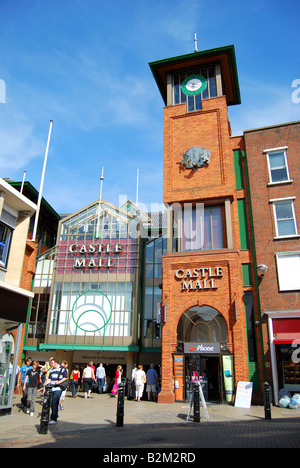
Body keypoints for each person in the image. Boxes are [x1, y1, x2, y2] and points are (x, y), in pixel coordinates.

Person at [45, 358, 68, 425]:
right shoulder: (51, 370)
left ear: (56, 362)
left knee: (55, 402)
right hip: (52, 388)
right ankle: (55, 414)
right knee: (52, 403)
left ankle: (53, 418)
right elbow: (49, 379)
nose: (50, 364)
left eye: (51, 363)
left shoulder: (63, 369)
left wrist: (59, 382)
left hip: (58, 388)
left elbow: (65, 377)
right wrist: (46, 383)